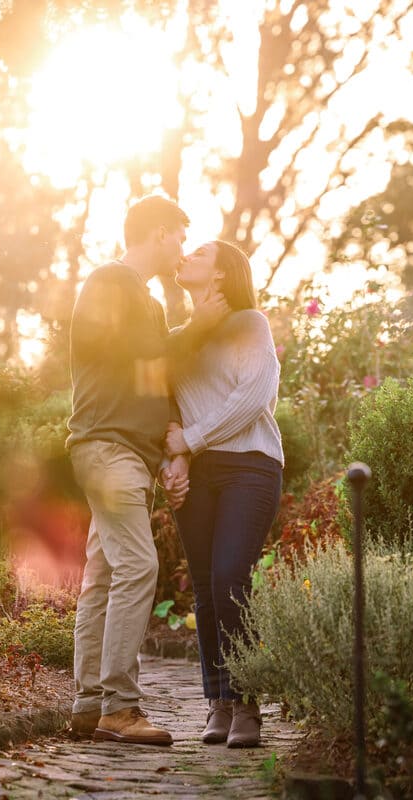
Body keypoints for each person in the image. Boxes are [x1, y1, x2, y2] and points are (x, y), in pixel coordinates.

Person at [66, 195, 227, 745]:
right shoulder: (111, 281)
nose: (182, 248)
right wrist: (197, 329)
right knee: (138, 567)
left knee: (105, 575)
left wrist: (169, 453)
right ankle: (121, 707)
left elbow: (151, 381)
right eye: (180, 237)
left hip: (125, 452)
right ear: (159, 233)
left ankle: (90, 704)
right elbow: (136, 356)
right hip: (105, 447)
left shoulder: (149, 302)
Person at [162, 239, 284, 749]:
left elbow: (254, 395)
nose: (184, 256)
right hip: (199, 474)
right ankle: (220, 701)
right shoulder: (177, 338)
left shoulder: (249, 323)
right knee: (209, 589)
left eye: (197, 254)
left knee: (233, 577)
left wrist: (188, 441)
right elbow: (161, 399)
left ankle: (249, 701)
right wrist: (176, 460)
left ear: (219, 275)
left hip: (250, 466)